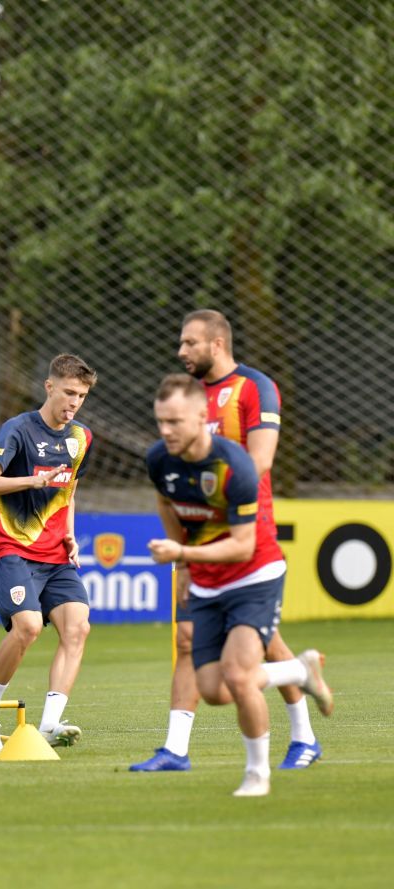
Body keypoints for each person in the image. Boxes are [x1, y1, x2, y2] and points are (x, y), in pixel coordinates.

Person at [131, 309, 320, 772]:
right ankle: (175, 749)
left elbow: (259, 465)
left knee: (264, 643)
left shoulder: (254, 387)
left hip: (244, 535)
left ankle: (304, 736)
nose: (181, 351)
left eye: (190, 343)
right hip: (195, 537)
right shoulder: (185, 399)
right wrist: (184, 555)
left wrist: (215, 528)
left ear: (217, 344)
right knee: (187, 639)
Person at [0, 354, 97, 755]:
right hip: (13, 550)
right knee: (27, 627)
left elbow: (68, 490)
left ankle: (51, 723)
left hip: (56, 554)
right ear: (49, 386)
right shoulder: (18, 430)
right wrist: (31, 479)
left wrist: (71, 535)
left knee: (78, 627)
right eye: (69, 392)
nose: (74, 402)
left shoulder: (81, 438)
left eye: (81, 396)